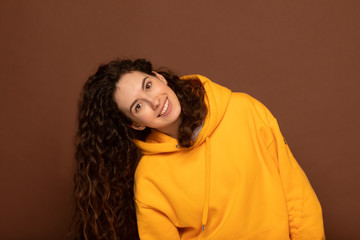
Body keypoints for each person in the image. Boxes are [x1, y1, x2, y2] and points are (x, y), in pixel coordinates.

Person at [71, 58, 325, 239]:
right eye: (138, 106)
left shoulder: (244, 110)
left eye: (148, 86)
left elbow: (298, 198)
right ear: (135, 124)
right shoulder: (149, 179)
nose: (154, 101)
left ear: (159, 78)